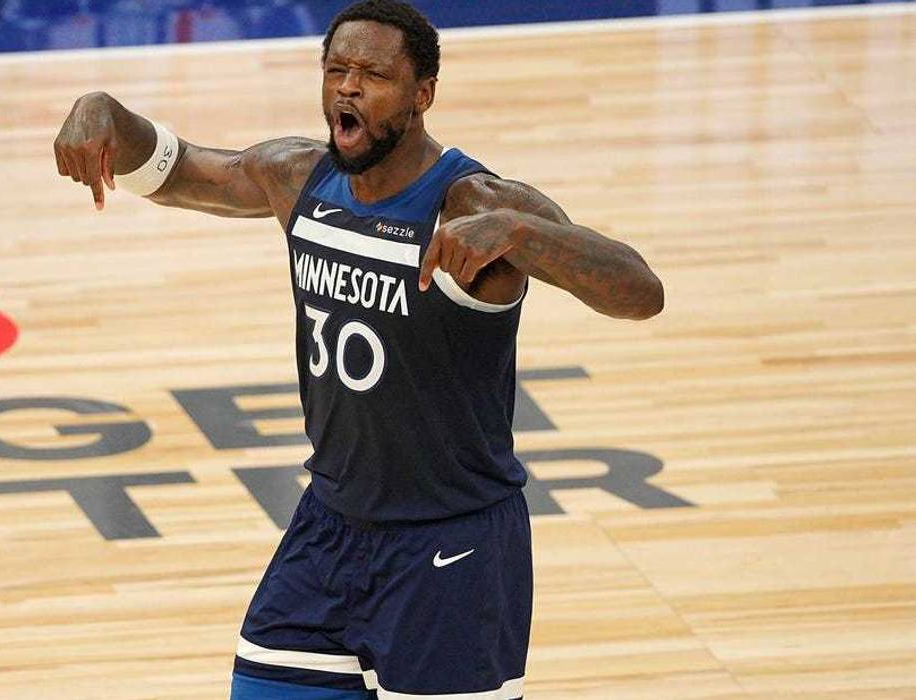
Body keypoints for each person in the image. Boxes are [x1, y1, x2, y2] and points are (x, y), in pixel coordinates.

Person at [53, 1, 664, 697]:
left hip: (450, 548)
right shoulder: (297, 177)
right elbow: (176, 170)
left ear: (421, 95)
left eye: (372, 74)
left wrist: (522, 235)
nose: (347, 86)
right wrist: (101, 108)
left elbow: (638, 292)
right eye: (335, 69)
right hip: (327, 531)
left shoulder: (471, 204)